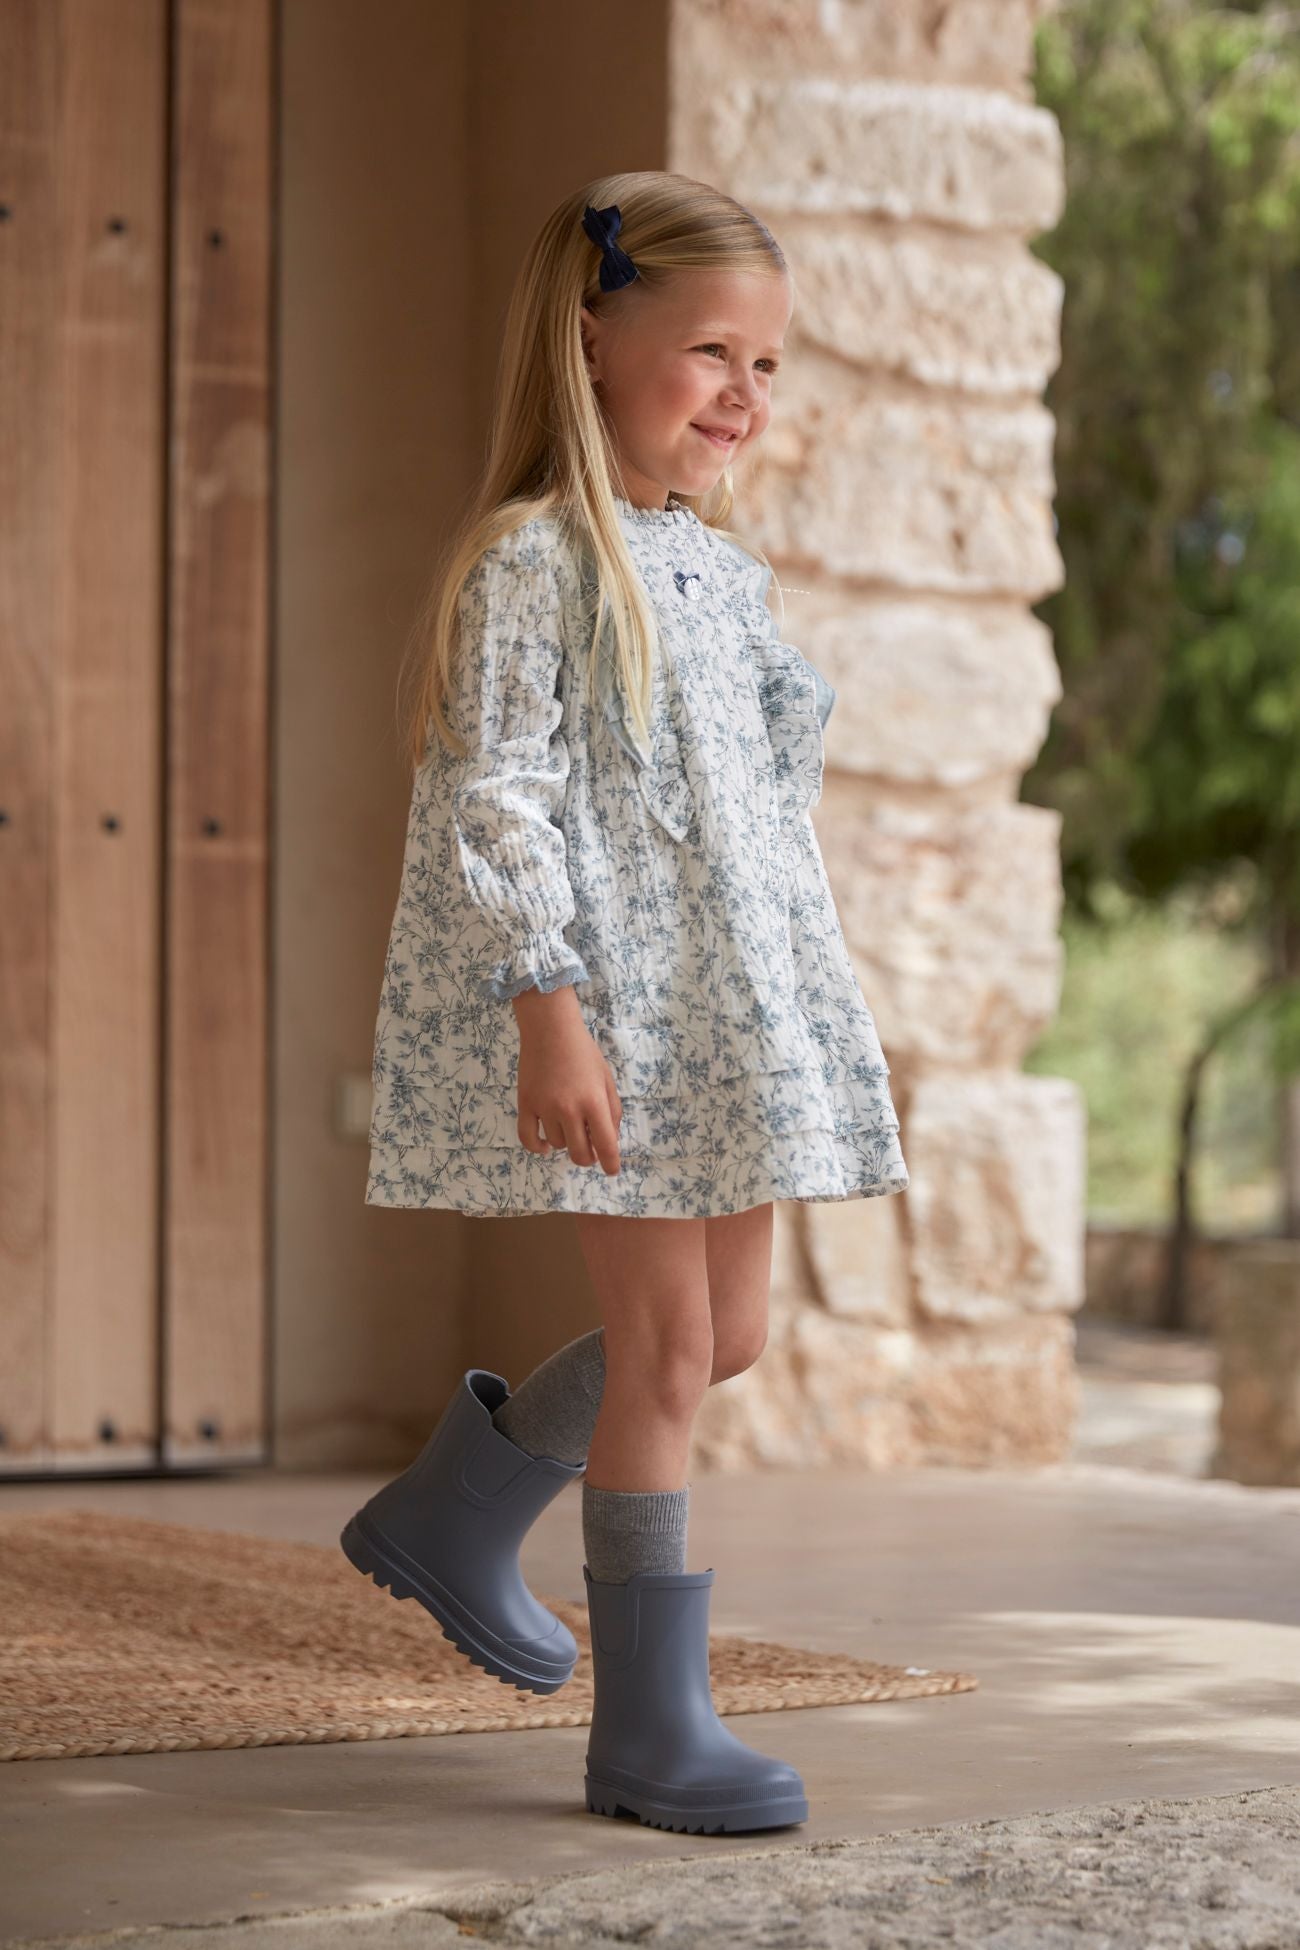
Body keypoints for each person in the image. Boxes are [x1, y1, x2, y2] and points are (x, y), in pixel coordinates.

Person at [342, 172, 910, 1836]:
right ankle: (650, 1728)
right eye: (712, 351)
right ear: (594, 338)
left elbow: (754, 809)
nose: (743, 392)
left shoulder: (724, 575)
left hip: (722, 1011)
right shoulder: (535, 560)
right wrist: (550, 1001)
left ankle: (456, 1507)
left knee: (728, 1336)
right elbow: (497, 795)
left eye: (768, 364)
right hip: (622, 1005)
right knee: (667, 1344)